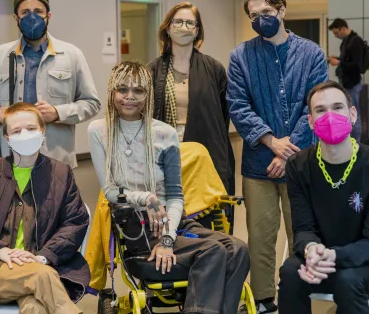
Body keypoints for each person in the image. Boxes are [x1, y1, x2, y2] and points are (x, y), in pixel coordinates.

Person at [88, 61, 250, 314]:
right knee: (214, 251)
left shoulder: (164, 133)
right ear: (111, 91)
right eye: (122, 90)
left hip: (172, 222)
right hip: (136, 227)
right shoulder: (99, 131)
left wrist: (166, 238)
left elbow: (175, 195)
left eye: (139, 91)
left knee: (238, 249)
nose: (130, 97)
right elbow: (110, 190)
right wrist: (147, 198)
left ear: (148, 94)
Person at [227, 0, 328, 313]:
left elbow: (315, 106)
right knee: (259, 239)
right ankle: (263, 300)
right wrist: (271, 141)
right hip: (258, 166)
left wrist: (289, 151)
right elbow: (238, 106)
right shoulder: (241, 56)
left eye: (266, 14)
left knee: (303, 235)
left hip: (301, 165)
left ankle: (297, 297)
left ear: (281, 11)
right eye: (254, 16)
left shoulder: (312, 53)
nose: (260, 20)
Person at [0, 103, 90, 314]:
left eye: (31, 128)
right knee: (40, 276)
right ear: (7, 138)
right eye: (17, 131)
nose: (25, 135)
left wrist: (43, 257)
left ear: (42, 131)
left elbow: (74, 223)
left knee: (35, 306)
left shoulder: (61, 174)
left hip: (43, 265)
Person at [278, 81, 369, 314]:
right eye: (320, 110)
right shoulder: (298, 166)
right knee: (290, 272)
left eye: (337, 107)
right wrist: (311, 249)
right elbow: (303, 227)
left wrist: (335, 255)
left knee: (348, 280)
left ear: (352, 114)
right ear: (310, 122)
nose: (330, 116)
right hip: (323, 258)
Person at [0, 0, 101, 168]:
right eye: (25, 12)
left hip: (55, 158)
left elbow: (92, 103)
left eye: (38, 12)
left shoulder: (71, 55)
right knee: (13, 197)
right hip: (11, 157)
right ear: (16, 18)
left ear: (48, 15)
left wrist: (58, 112)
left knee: (54, 196)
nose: (32, 17)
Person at [149, 2, 235, 195]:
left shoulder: (214, 69)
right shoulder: (152, 70)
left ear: (197, 31)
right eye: (178, 22)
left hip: (204, 149)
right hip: (164, 150)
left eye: (190, 23)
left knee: (202, 207)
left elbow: (222, 116)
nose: (183, 27)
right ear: (168, 28)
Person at [328, 18, 365, 142]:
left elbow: (357, 66)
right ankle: (351, 142)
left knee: (353, 114)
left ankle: (357, 144)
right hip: (346, 82)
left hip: (352, 83)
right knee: (348, 113)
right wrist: (338, 60)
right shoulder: (346, 42)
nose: (335, 35)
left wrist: (338, 62)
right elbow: (348, 61)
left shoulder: (355, 42)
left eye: (336, 33)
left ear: (343, 28)